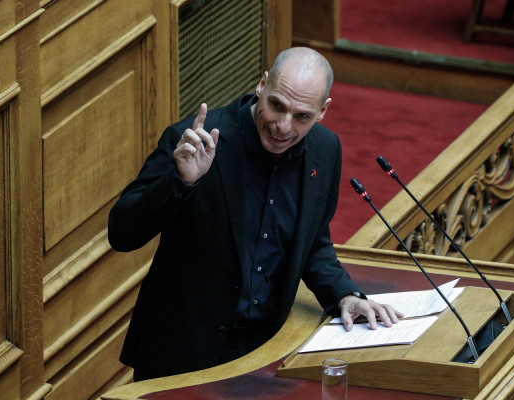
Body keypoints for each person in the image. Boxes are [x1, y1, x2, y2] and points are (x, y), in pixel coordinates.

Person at [108, 47, 403, 381]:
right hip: (181, 353)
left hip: (264, 353)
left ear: (322, 111)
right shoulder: (194, 141)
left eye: (302, 116)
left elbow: (313, 242)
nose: (283, 126)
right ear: (262, 85)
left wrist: (344, 294)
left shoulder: (325, 149)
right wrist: (180, 182)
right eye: (277, 105)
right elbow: (122, 233)